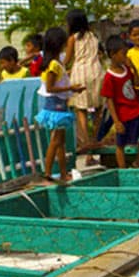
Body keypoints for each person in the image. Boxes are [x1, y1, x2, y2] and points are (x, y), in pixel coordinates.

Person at [34, 27, 84, 182]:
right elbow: (50, 88)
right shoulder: (54, 65)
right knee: (56, 140)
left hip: (58, 105)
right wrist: (71, 88)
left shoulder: (54, 63)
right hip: (56, 106)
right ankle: (47, 171)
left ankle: (63, 172)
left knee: (60, 142)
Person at [100, 35, 139, 168]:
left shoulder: (126, 69)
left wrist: (133, 67)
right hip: (123, 114)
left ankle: (138, 161)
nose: (125, 57)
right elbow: (109, 100)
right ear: (113, 54)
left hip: (137, 110)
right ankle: (122, 169)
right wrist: (116, 121)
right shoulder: (109, 77)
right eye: (123, 54)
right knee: (120, 144)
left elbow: (137, 83)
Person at [64, 9, 103, 150]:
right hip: (97, 71)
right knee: (98, 109)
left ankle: (86, 143)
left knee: (81, 110)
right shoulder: (93, 36)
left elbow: (68, 60)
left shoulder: (73, 38)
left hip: (80, 73)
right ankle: (95, 139)